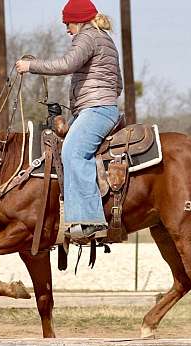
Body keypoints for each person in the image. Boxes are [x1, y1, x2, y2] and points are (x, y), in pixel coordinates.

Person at [16, 0, 123, 240]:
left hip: (95, 109)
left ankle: (90, 220)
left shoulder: (88, 36)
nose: (66, 29)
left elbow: (67, 64)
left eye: (67, 23)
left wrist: (30, 66)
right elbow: (118, 84)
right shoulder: (105, 39)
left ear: (79, 20)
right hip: (98, 107)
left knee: (73, 152)